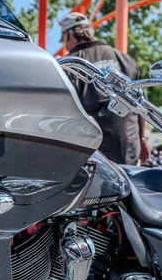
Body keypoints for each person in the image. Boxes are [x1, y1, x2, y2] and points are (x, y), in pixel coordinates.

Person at [59, 12, 150, 166]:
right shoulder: (125, 58)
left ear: (68, 35)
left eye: (63, 40)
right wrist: (142, 139)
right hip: (128, 147)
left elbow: (62, 111)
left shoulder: (70, 65)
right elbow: (142, 105)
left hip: (93, 154)